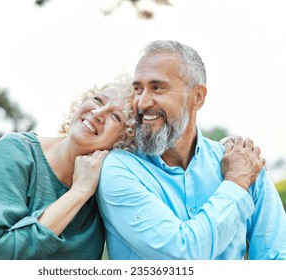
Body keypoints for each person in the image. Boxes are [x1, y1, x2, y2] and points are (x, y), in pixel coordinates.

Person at [96, 40, 286, 260]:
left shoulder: (244, 162)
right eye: (138, 89)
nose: (142, 102)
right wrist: (235, 184)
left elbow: (277, 259)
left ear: (197, 97)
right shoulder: (118, 169)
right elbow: (181, 255)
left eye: (157, 87)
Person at [0, 77, 135, 260]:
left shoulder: (104, 196)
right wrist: (78, 192)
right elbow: (0, 253)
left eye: (116, 116)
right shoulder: (17, 150)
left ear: (125, 142)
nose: (98, 112)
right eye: (98, 100)